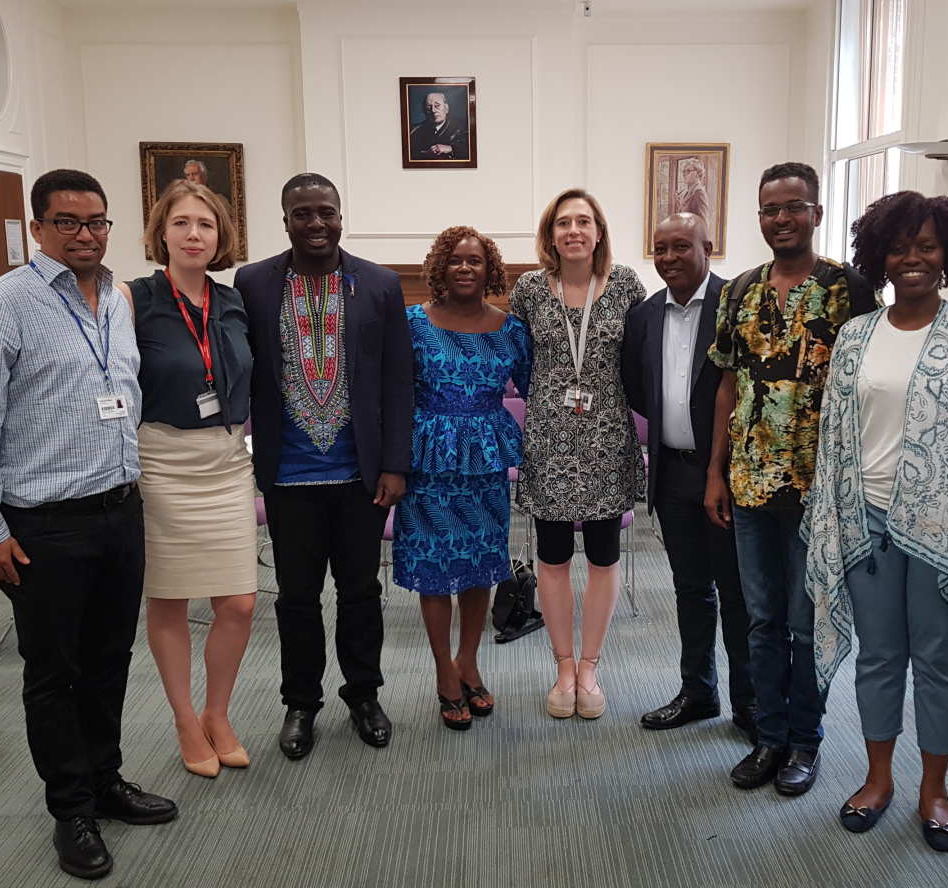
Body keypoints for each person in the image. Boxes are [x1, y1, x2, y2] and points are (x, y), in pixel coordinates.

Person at [0, 169, 176, 880]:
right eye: (68, 221)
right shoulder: (1, 307)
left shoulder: (117, 299)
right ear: (38, 226)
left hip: (116, 508)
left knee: (110, 661)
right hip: (42, 523)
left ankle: (106, 781)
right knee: (54, 673)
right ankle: (70, 809)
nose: (85, 234)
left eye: (97, 221)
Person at [804, 191, 948, 852]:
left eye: (927, 246)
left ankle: (935, 789)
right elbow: (836, 435)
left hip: (941, 526)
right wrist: (831, 513)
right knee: (878, 658)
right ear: (879, 255)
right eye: (899, 246)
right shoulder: (855, 335)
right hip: (864, 516)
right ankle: (878, 780)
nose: (912, 259)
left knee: (935, 659)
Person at [705, 161, 878, 795]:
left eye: (794, 206)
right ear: (760, 218)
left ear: (816, 213)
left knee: (809, 623)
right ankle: (768, 738)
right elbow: (727, 383)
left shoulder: (850, 289)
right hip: (750, 483)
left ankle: (806, 742)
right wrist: (715, 472)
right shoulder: (742, 290)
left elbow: (869, 387)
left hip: (820, 489)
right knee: (760, 618)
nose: (782, 218)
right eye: (771, 209)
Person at [235, 172, 414, 760]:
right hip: (288, 475)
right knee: (296, 597)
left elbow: (397, 381)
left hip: (360, 476)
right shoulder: (254, 282)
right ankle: (301, 702)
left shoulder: (381, 285)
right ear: (284, 219)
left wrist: (394, 465)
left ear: (342, 215)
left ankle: (364, 694)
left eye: (326, 212)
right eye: (303, 214)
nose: (316, 224)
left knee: (361, 592)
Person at [120, 179, 255, 779]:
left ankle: (217, 711)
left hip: (226, 462)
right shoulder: (133, 299)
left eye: (205, 224)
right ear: (162, 233)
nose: (194, 233)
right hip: (162, 462)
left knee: (239, 603)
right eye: (182, 223)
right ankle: (182, 717)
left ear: (221, 235)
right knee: (169, 599)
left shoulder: (233, 303)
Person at [510, 187, 646, 720]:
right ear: (550, 234)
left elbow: (642, 356)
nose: (574, 230)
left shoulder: (625, 286)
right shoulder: (528, 289)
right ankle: (562, 665)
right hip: (548, 438)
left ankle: (590, 664)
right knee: (552, 555)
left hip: (607, 438)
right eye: (563, 222)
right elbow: (518, 358)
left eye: (584, 221)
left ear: (599, 232)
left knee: (604, 554)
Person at [622, 212, 754, 738]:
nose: (670, 257)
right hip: (673, 472)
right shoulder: (644, 315)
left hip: (729, 476)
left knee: (739, 594)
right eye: (661, 247)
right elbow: (636, 387)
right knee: (690, 589)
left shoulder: (738, 303)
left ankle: (751, 704)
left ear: (708, 247)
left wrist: (719, 466)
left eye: (682, 246)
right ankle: (698, 691)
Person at [394, 225, 531, 730]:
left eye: (476, 260)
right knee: (434, 567)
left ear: (490, 269)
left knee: (480, 565)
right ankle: (442, 671)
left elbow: (539, 390)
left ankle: (469, 661)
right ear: (439, 269)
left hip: (485, 462)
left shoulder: (511, 329)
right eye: (456, 260)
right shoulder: (412, 323)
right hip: (427, 459)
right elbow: (392, 392)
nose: (466, 268)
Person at [409, 91, 469, 160]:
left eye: (437, 106)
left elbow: (471, 150)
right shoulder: (414, 130)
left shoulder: (463, 127)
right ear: (424, 111)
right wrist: (425, 154)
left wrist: (451, 148)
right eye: (429, 107)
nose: (433, 110)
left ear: (446, 108)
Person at [673, 158, 710, 224]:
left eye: (688, 171)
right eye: (683, 171)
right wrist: (679, 203)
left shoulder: (699, 192)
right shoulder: (687, 192)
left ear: (697, 173)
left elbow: (704, 223)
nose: (684, 174)